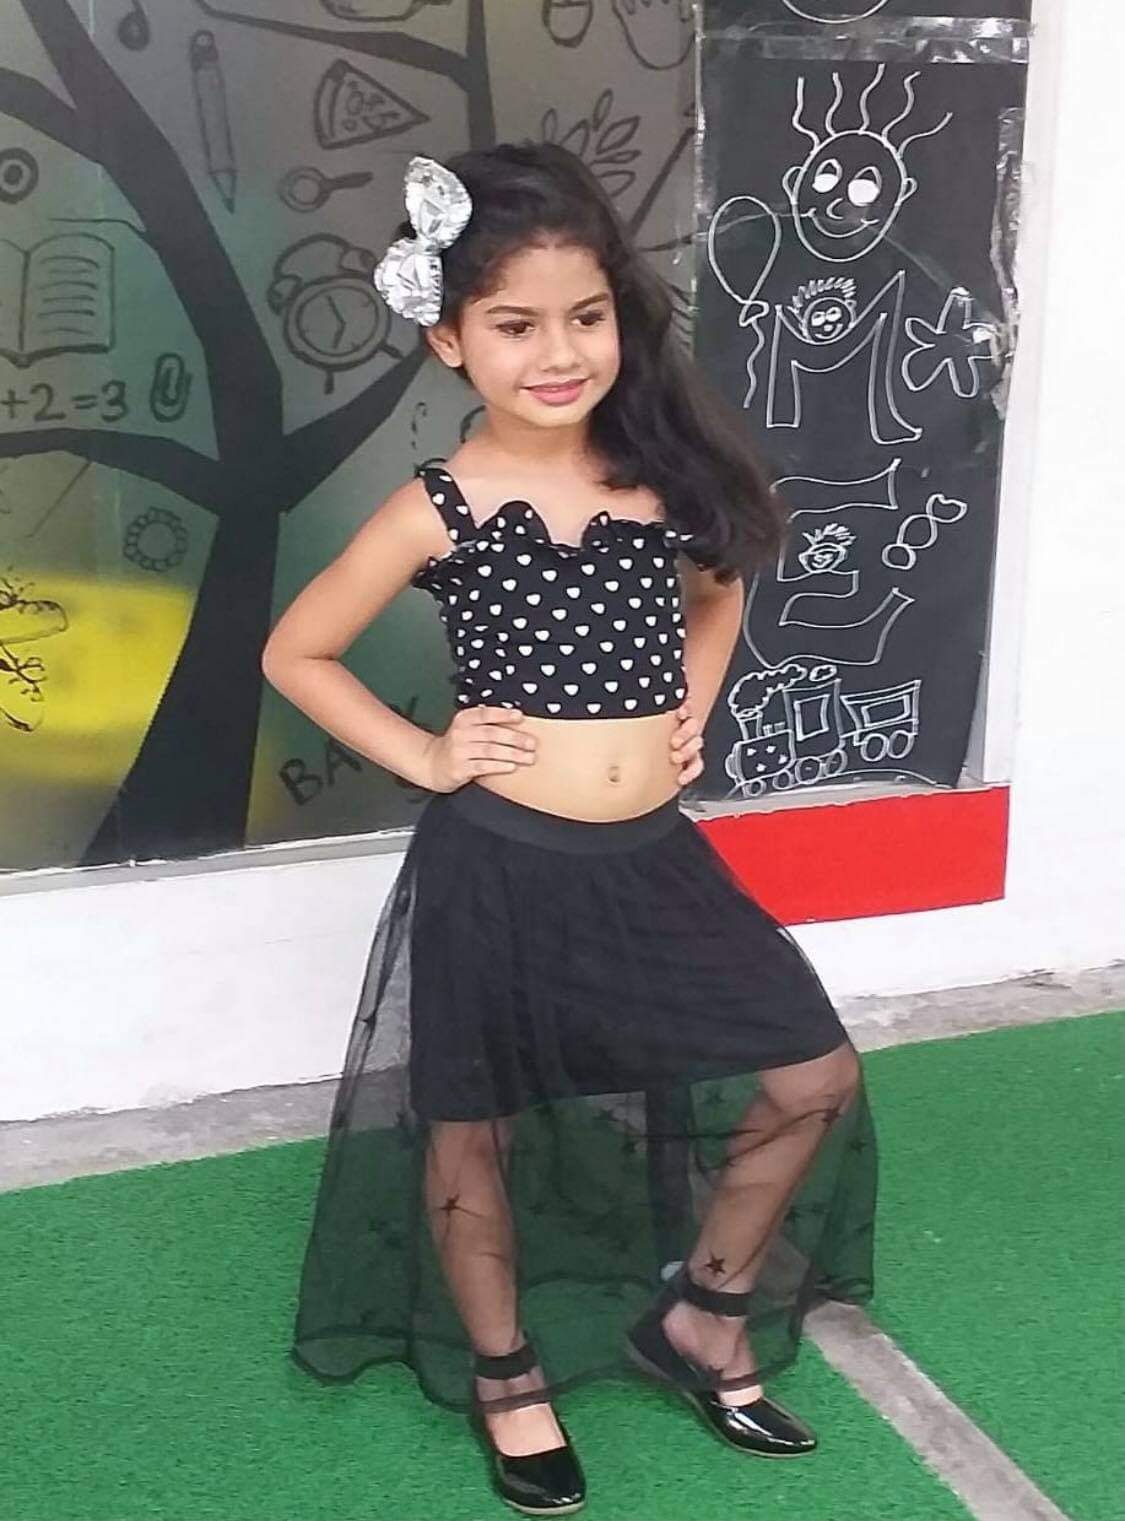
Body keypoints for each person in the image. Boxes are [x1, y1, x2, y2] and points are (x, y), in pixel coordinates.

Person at [262, 144, 878, 1517]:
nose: (558, 353)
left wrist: (690, 707)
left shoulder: (658, 479)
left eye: (585, 316)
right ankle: (506, 1373)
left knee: (812, 1075)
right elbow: (296, 651)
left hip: (652, 861)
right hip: (498, 867)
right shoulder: (439, 507)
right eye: (515, 324)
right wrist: (428, 752)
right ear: (450, 340)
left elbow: (719, 589)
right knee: (470, 1125)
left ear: (618, 317)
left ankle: (702, 1317)